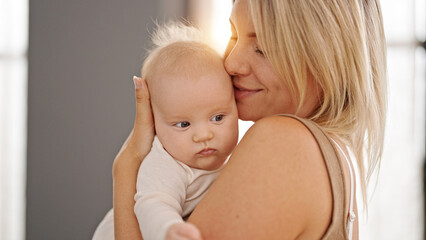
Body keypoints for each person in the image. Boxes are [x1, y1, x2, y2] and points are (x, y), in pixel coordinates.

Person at [112, 0, 387, 239]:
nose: (231, 63)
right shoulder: (338, 153)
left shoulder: (284, 142)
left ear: (326, 58)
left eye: (262, 48)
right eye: (233, 36)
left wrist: (126, 168)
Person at [93, 23, 239, 240]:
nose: (203, 135)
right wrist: (169, 229)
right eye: (183, 124)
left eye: (217, 118)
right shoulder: (166, 164)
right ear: (153, 124)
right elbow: (153, 204)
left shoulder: (236, 157)